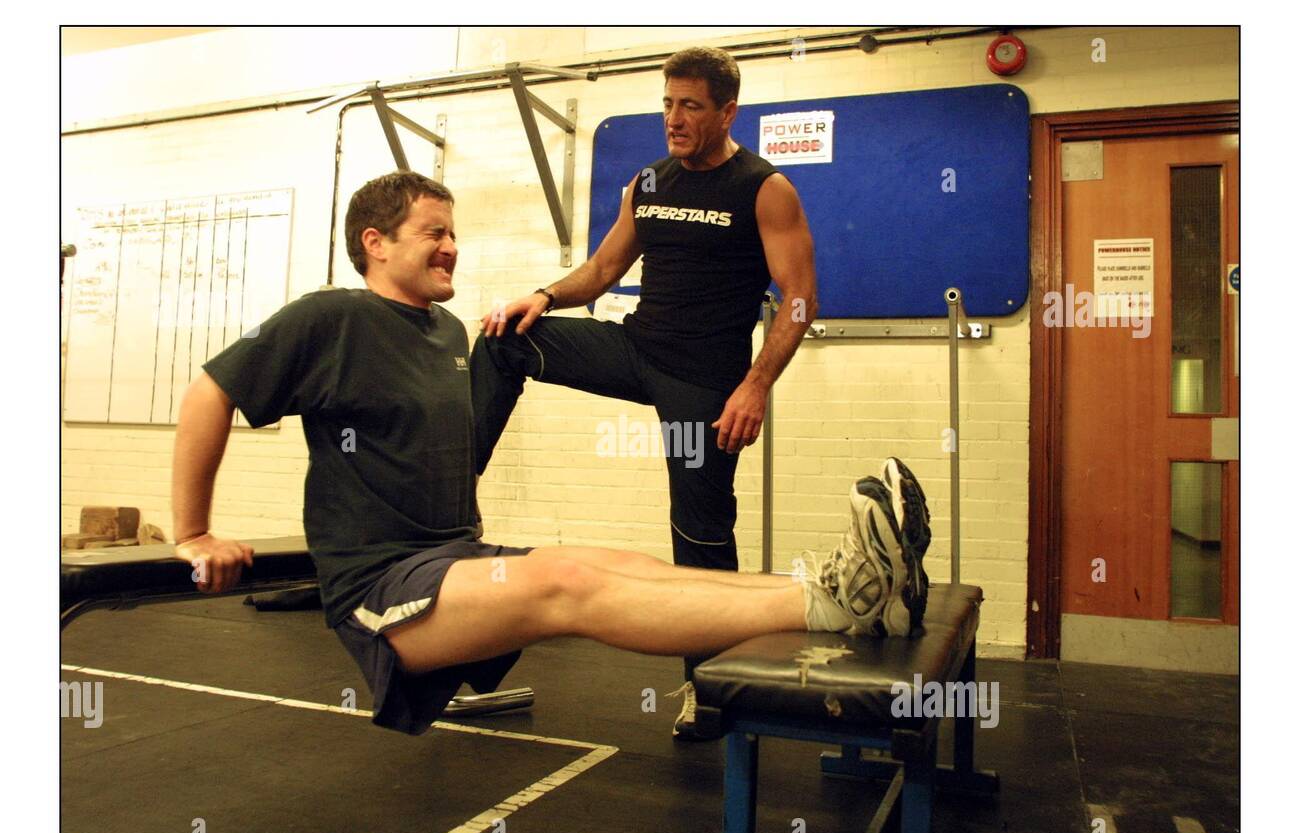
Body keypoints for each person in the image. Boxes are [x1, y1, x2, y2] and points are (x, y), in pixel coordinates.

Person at [171, 170, 930, 738]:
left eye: (453, 233)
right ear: (375, 243)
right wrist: (194, 531)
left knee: (621, 563)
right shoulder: (331, 316)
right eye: (433, 232)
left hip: (453, 557)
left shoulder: (446, 334)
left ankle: (838, 591)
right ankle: (834, 604)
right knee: (565, 583)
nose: (452, 247)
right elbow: (210, 392)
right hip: (381, 587)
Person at [473, 47, 822, 739]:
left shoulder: (764, 187)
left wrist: (755, 386)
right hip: (635, 351)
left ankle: (710, 688)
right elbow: (602, 270)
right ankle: (449, 490)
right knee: (501, 338)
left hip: (705, 383)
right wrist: (543, 294)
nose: (674, 118)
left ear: (727, 111)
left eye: (690, 105)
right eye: (668, 103)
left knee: (699, 538)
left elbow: (804, 300)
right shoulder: (650, 183)